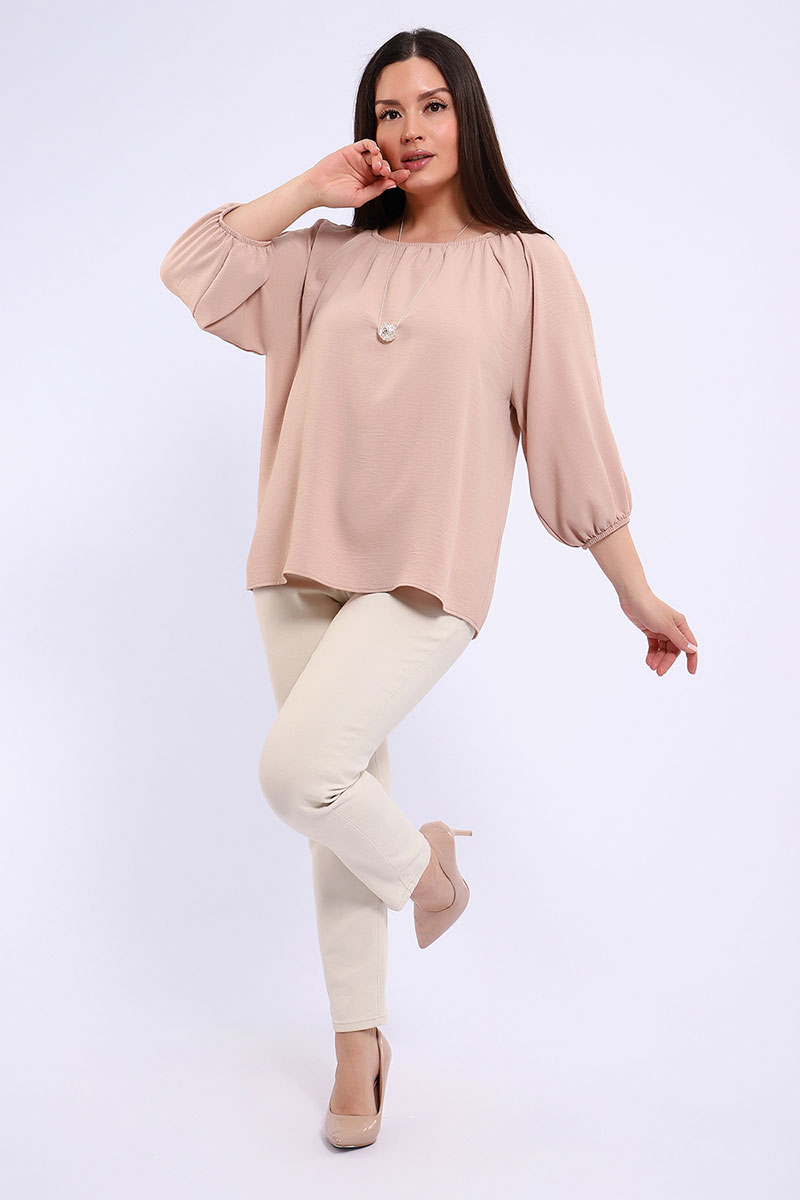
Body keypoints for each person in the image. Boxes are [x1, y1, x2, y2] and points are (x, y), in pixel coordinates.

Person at [159, 27, 699, 1150]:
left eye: (432, 106)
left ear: (470, 117)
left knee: (299, 773)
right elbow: (195, 268)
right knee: (333, 806)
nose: (409, 130)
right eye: (388, 111)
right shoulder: (323, 259)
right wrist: (310, 188)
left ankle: (429, 876)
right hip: (297, 559)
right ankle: (359, 1047)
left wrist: (634, 591)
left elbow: (571, 438)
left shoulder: (527, 266)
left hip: (426, 572)